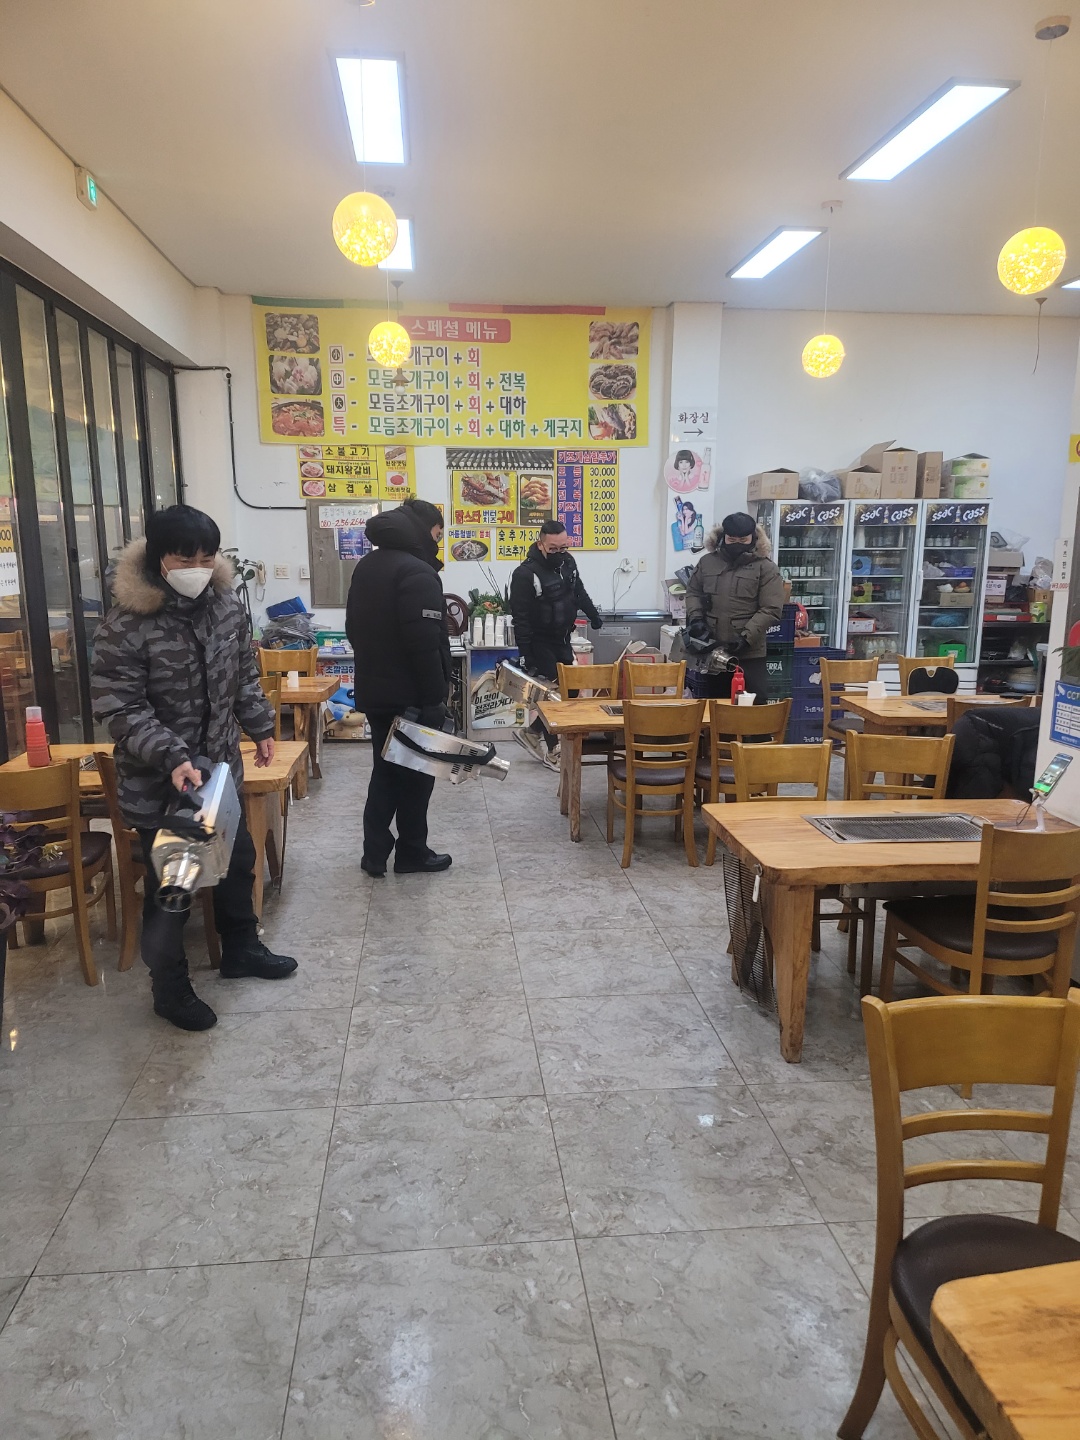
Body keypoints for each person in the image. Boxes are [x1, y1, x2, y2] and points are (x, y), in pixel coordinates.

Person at [91, 505, 297, 1033]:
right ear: (159, 558)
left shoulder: (225, 606)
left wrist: (261, 727)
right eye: (186, 559)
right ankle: (170, 989)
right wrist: (174, 755)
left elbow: (244, 675)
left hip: (221, 770)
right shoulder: (126, 624)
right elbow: (120, 708)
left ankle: (242, 949)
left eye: (207, 557)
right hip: (162, 782)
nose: (199, 568)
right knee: (173, 886)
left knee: (236, 861)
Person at [345, 499, 453, 878]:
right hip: (411, 697)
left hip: (376, 693)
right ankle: (412, 852)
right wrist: (433, 699)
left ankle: (375, 853)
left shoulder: (367, 566)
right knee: (416, 777)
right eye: (437, 534)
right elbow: (424, 645)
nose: (438, 542)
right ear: (424, 530)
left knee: (386, 771)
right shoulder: (417, 572)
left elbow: (353, 630)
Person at [509, 520, 603, 767]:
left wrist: (593, 615)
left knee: (570, 690)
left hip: (562, 638)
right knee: (551, 695)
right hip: (539, 642)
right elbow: (520, 618)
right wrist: (526, 655)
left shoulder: (568, 563)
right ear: (540, 544)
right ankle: (554, 751)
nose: (559, 553)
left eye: (563, 548)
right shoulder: (524, 575)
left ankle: (531, 732)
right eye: (553, 549)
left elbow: (578, 591)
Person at [684, 510, 785, 699]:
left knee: (751, 707)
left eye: (743, 540)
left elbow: (771, 609)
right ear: (723, 537)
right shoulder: (707, 563)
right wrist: (696, 618)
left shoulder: (766, 568)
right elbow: (693, 593)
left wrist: (746, 638)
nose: (737, 544)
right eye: (731, 539)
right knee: (717, 706)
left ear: (753, 538)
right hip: (714, 651)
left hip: (750, 654)